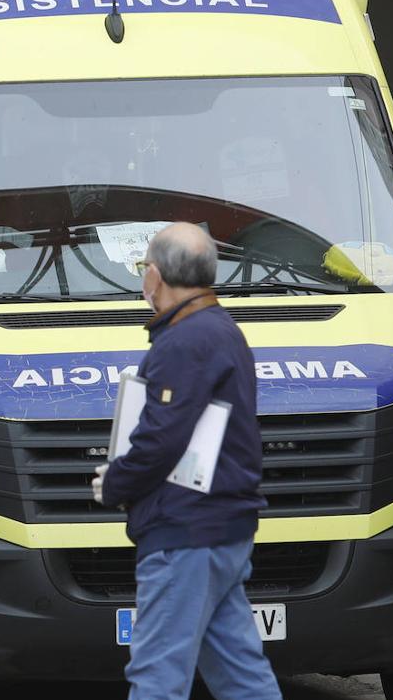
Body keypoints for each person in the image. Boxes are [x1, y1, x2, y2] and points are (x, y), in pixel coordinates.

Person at [92, 222, 279, 700]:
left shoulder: (184, 342)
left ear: (154, 276)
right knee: (241, 676)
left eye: (142, 271)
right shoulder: (222, 331)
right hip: (224, 529)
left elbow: (161, 439)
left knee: (157, 677)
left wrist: (115, 482)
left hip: (185, 532)